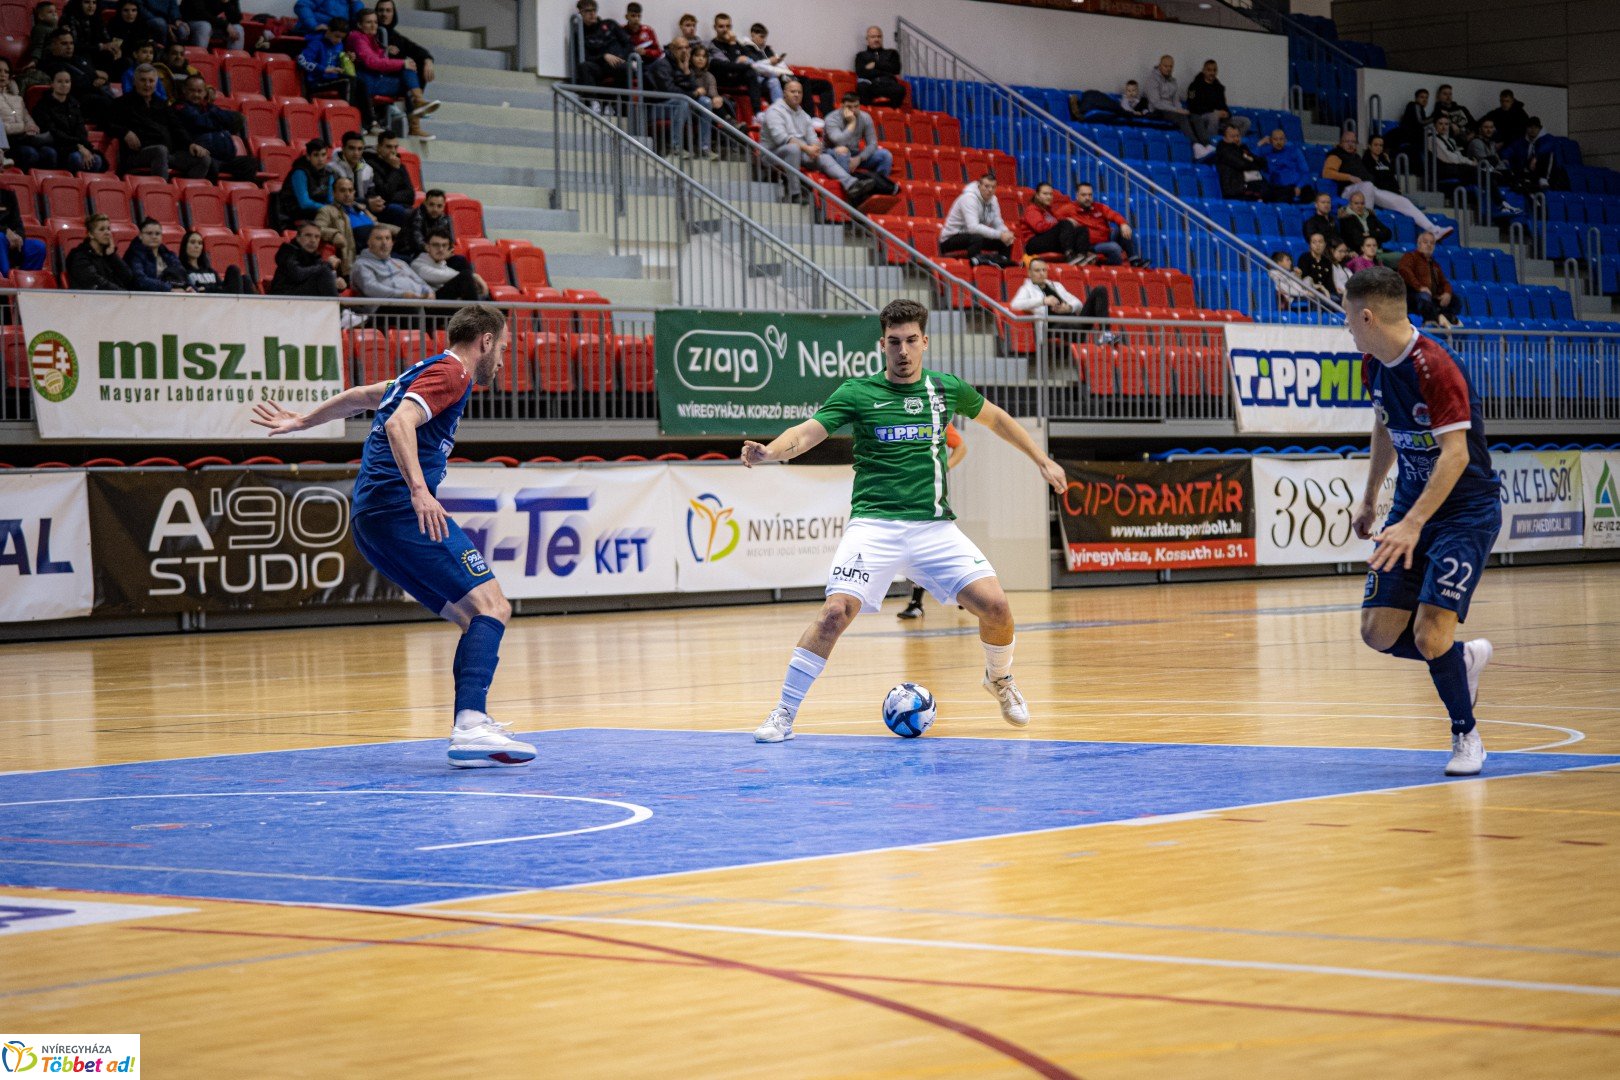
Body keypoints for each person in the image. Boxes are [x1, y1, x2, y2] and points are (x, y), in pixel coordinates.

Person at [743, 298, 1068, 742]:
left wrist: (1041, 459)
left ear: (924, 342)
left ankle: (999, 678)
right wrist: (770, 452)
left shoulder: (944, 389)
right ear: (882, 345)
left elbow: (996, 420)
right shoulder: (857, 393)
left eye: (911, 340)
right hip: (874, 526)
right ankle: (782, 714)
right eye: (894, 342)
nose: (903, 350)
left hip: (934, 527)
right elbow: (806, 433)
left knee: (996, 607)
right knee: (834, 613)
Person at [250, 304, 534, 769]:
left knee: (474, 617)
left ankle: (472, 724)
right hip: (399, 509)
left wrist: (303, 422)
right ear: (484, 341)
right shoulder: (452, 373)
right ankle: (469, 725)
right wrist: (420, 491)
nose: (503, 360)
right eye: (502, 348)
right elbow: (399, 421)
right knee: (493, 606)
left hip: (371, 520)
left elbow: (361, 397)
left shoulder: (420, 371)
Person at [1346, 265, 1498, 776]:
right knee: (1377, 632)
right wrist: (1371, 497)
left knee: (1431, 634)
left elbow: (1456, 455)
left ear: (1367, 316)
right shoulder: (1374, 366)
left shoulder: (1435, 366)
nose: (1346, 327)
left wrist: (1412, 524)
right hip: (1411, 510)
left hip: (1464, 514)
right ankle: (1462, 660)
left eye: (1348, 317)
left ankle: (1467, 737)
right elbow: (1385, 426)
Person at [1323, 130, 1453, 242]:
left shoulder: (1356, 156)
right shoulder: (1336, 154)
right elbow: (1327, 173)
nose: (1351, 144)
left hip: (1367, 188)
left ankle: (1433, 229)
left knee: (1402, 201)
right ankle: (1367, 228)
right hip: (1349, 191)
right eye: (1347, 141)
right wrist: (1349, 177)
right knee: (1368, 185)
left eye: (1353, 141)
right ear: (1341, 142)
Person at [897, 421, 965, 620]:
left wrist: (944, 467)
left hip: (929, 498)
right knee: (917, 549)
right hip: (903, 493)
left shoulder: (935, 417)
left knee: (932, 547)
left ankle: (962, 588)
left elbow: (961, 447)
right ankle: (959, 590)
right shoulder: (893, 418)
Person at [759, 79, 860, 203]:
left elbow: (813, 138)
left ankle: (851, 184)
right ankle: (795, 194)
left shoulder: (804, 115)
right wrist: (807, 148)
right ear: (784, 93)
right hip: (771, 154)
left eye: (799, 92)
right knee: (793, 149)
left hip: (799, 153)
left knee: (824, 157)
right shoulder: (774, 111)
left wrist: (815, 147)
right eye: (793, 91)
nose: (796, 95)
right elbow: (782, 138)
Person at [107, 64, 214, 178]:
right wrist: (125, 132)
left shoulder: (162, 104)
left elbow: (177, 128)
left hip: (167, 154)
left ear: (156, 83)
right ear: (134, 82)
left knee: (203, 159)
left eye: (151, 81)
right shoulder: (121, 103)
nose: (147, 84)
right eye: (143, 80)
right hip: (136, 155)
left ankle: (180, 188)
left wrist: (190, 144)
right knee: (160, 151)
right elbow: (106, 123)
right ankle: (161, 188)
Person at [349, 7, 439, 139]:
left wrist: (386, 52)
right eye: (369, 22)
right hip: (367, 84)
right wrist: (402, 63)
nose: (374, 25)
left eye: (375, 22)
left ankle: (418, 106)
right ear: (359, 25)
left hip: (376, 80)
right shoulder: (357, 38)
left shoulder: (372, 39)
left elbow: (380, 62)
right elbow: (372, 62)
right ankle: (416, 114)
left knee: (408, 77)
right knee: (406, 69)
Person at [1007, 256, 1117, 343]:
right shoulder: (1026, 288)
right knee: (1066, 324)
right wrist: (1043, 301)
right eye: (1037, 270)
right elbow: (1015, 304)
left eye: (1044, 270)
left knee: (1100, 290)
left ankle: (1106, 333)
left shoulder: (1056, 285)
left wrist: (1068, 308)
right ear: (1029, 273)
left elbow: (1078, 303)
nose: (1041, 273)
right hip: (1054, 327)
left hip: (1073, 322)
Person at [298, 18, 377, 133]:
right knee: (347, 82)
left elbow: (336, 61)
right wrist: (323, 69)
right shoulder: (316, 43)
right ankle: (349, 119)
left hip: (332, 79)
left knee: (360, 82)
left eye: (341, 38)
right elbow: (302, 59)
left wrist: (347, 58)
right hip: (317, 81)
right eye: (336, 36)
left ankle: (370, 122)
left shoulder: (339, 44)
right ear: (328, 30)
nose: (338, 40)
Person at [173, 74, 256, 181]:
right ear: (184, 90)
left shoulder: (209, 107)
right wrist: (218, 121)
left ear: (205, 93)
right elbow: (197, 121)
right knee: (209, 164)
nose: (196, 95)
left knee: (250, 163)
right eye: (192, 91)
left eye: (199, 91)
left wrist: (211, 111)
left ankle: (238, 191)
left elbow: (230, 118)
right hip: (203, 157)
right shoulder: (180, 107)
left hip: (224, 159)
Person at [32, 69, 104, 173]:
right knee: (76, 158)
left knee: (97, 160)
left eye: (67, 81)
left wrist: (83, 146)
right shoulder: (43, 105)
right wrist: (78, 146)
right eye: (59, 81)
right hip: (55, 145)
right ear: (52, 84)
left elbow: (81, 129)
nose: (64, 85)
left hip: (75, 146)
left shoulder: (74, 104)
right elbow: (53, 132)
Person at [940, 173, 1014, 265]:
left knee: (1006, 241)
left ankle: (1003, 265)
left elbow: (998, 222)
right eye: (986, 186)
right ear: (979, 186)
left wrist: (1006, 233)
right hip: (950, 238)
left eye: (993, 187)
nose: (990, 190)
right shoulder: (968, 198)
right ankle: (974, 266)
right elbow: (973, 228)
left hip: (973, 237)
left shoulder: (993, 200)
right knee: (977, 237)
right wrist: (999, 234)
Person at [1059, 182, 1140, 266]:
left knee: (1125, 229)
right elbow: (1056, 221)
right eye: (1084, 195)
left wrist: (1123, 224)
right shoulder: (1068, 209)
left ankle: (1134, 260)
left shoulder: (1099, 207)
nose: (1087, 198)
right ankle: (1110, 268)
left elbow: (1114, 215)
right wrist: (1067, 221)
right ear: (1077, 196)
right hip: (1090, 245)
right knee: (1114, 247)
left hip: (1106, 238)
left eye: (1090, 195)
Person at [824, 92, 892, 190]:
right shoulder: (831, 118)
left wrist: (859, 158)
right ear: (842, 106)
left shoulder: (865, 117)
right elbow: (839, 142)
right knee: (843, 151)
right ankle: (852, 189)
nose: (853, 110)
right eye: (849, 107)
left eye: (856, 106)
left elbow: (873, 143)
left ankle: (879, 186)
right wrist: (852, 123)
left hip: (854, 154)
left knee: (885, 155)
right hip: (832, 153)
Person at [665, 37, 720, 159]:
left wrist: (715, 97)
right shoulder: (669, 64)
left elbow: (697, 88)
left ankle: (705, 147)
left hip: (691, 103)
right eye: (680, 48)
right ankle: (675, 146)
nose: (684, 51)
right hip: (671, 102)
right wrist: (694, 93)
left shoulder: (706, 74)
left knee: (706, 101)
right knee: (683, 102)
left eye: (686, 48)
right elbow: (674, 89)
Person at [350, 223, 434, 301]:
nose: (384, 243)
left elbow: (421, 282)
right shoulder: (361, 264)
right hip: (386, 306)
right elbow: (370, 288)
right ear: (369, 242)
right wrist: (402, 295)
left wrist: (429, 292)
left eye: (387, 238)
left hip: (416, 301)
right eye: (379, 238)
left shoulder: (400, 263)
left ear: (392, 243)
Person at [1398, 229, 1462, 327]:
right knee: (1424, 297)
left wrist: (1447, 293)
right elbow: (1404, 271)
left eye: (1432, 243)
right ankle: (1436, 318)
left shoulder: (1435, 265)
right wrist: (1419, 287)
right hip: (1413, 295)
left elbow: (1444, 282)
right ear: (1419, 244)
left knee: (1455, 300)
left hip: (1432, 297)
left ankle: (1442, 316)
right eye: (1425, 242)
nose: (1429, 245)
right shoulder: (1410, 257)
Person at [0, 58, 55, 171]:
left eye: (6, 72)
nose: (3, 74)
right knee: (30, 154)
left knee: (49, 153)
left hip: (23, 139)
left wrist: (33, 128)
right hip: (7, 143)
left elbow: (27, 118)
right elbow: (2, 127)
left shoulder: (18, 99)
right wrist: (23, 128)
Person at [1017, 182, 1090, 264]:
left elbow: (1058, 222)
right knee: (1065, 223)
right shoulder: (1032, 209)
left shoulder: (1048, 211)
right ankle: (1069, 255)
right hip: (1034, 244)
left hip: (1048, 242)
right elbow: (1039, 227)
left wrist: (1068, 222)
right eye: (1045, 194)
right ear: (1037, 195)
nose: (1049, 197)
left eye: (1050, 194)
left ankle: (1082, 256)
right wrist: (1063, 222)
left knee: (1082, 229)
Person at [270, 220, 346, 296]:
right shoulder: (287, 251)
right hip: (281, 297)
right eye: (308, 235)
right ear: (298, 237)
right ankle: (338, 303)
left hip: (301, 296)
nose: (313, 240)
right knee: (324, 271)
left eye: (317, 237)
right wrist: (328, 265)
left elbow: (319, 277)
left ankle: (338, 303)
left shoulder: (314, 256)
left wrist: (336, 285)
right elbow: (297, 275)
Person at [315, 175, 373, 273]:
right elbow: (317, 228)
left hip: (374, 252)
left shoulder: (359, 208)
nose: (347, 194)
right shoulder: (327, 210)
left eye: (350, 190)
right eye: (342, 190)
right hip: (356, 258)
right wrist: (334, 234)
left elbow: (377, 226)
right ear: (334, 193)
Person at [66, 213, 139, 290]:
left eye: (108, 229)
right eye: (102, 229)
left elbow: (128, 277)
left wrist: (112, 255)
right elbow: (97, 283)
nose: (107, 232)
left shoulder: (108, 255)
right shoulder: (80, 257)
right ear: (90, 234)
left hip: (113, 296)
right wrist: (122, 293)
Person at [413, 229, 488, 301]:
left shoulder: (443, 266)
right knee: (465, 276)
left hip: (443, 302)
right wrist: (473, 276)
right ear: (427, 247)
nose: (440, 249)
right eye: (436, 245)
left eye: (444, 245)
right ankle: (476, 309)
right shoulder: (418, 264)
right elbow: (435, 275)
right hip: (428, 303)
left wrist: (472, 279)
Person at [1186, 59, 1249, 145]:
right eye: (1209, 70)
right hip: (1202, 117)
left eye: (1214, 70)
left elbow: (1223, 105)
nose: (1212, 73)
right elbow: (1192, 106)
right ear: (1203, 71)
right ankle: (1212, 144)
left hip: (1220, 119)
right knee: (1214, 116)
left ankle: (1233, 144)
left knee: (1245, 121)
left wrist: (1227, 113)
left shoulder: (1219, 87)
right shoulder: (1194, 86)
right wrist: (1214, 111)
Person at [574, 0, 632, 94]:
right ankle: (592, 102)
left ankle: (620, 103)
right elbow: (585, 57)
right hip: (600, 65)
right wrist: (603, 57)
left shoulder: (610, 24)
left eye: (594, 10)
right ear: (580, 13)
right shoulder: (580, 34)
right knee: (584, 67)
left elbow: (629, 43)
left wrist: (622, 57)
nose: (592, 13)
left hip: (619, 61)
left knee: (623, 68)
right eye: (588, 11)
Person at [277, 138, 335, 228]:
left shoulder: (329, 173)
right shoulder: (300, 172)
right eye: (316, 155)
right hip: (295, 212)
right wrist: (326, 208)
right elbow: (304, 203)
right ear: (308, 156)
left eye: (323, 155)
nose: (320, 159)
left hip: (318, 210)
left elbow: (330, 199)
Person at [375, 0, 432, 89]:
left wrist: (428, 60)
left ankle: (416, 96)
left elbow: (416, 50)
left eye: (388, 10)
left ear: (394, 14)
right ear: (375, 13)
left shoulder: (397, 38)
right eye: (381, 10)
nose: (384, 14)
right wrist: (384, 50)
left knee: (420, 64)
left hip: (396, 78)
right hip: (375, 77)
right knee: (407, 70)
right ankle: (416, 96)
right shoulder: (368, 33)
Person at [124, 215, 189, 291]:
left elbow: (183, 276)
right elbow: (139, 280)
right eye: (149, 233)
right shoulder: (134, 255)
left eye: (157, 234)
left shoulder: (169, 255)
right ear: (140, 235)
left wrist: (190, 288)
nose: (154, 237)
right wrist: (169, 289)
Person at [365, 131, 416, 227]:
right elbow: (384, 193)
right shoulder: (370, 165)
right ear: (379, 147)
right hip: (381, 210)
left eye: (395, 147)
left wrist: (391, 198)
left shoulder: (399, 165)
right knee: (403, 213)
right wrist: (395, 170)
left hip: (399, 205)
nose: (393, 151)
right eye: (388, 147)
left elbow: (410, 195)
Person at [1144, 54, 1196, 146]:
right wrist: (1176, 110)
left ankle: (1205, 144)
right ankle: (1195, 145)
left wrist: (1180, 109)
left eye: (1171, 66)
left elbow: (1176, 101)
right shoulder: (1152, 80)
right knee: (1182, 117)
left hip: (1171, 111)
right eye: (1166, 66)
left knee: (1196, 116)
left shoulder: (1173, 81)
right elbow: (1156, 103)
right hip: (1158, 111)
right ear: (1160, 66)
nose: (1168, 69)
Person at [178, 228, 251, 292]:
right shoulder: (181, 270)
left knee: (244, 278)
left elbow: (220, 288)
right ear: (185, 246)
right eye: (192, 242)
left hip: (219, 298)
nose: (197, 246)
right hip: (202, 301)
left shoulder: (210, 270)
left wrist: (207, 289)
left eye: (200, 243)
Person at [1254, 127, 1314, 203]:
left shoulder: (1294, 151)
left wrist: (1299, 186)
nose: (1278, 142)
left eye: (1281, 139)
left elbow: (1305, 172)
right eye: (1275, 139)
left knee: (1309, 193)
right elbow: (1251, 158)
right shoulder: (1266, 153)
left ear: (1285, 140)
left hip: (1296, 186)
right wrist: (1260, 144)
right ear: (1271, 141)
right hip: (1279, 188)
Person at [1500, 116, 1557, 194]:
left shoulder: (1547, 138)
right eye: (1530, 127)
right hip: (1525, 170)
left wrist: (1536, 157)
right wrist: (1505, 158)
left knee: (1548, 154)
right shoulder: (1521, 141)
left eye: (1535, 128)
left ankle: (1543, 179)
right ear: (1526, 128)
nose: (1533, 130)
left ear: (1539, 129)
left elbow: (1548, 147)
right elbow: (1509, 150)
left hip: (1539, 168)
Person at [854, 25, 904, 108]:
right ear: (867, 39)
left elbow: (896, 69)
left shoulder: (892, 53)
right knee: (861, 87)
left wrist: (875, 64)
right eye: (873, 37)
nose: (876, 39)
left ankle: (890, 111)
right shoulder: (861, 56)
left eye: (879, 36)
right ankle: (868, 112)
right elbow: (861, 73)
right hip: (871, 85)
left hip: (888, 85)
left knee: (900, 89)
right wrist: (885, 70)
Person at [0, 185, 46, 275]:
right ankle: (6, 280)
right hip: (2, 237)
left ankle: (25, 280)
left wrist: (19, 237)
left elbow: (17, 222)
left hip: (7, 240)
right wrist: (6, 231)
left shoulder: (7, 191)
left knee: (38, 247)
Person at [399, 187, 452, 261]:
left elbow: (450, 244)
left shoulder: (445, 220)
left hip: (433, 253)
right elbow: (417, 242)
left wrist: (444, 252)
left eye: (439, 206)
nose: (435, 209)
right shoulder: (415, 216)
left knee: (459, 260)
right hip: (410, 253)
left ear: (444, 206)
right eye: (431, 205)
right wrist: (436, 252)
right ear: (425, 203)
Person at [1214, 123, 1265, 200]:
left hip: (1250, 184)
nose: (1236, 139)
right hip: (1235, 189)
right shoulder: (1223, 149)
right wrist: (1252, 163)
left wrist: (1252, 162)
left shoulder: (1242, 147)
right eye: (1232, 136)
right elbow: (1241, 164)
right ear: (1224, 138)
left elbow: (1261, 162)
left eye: (1238, 136)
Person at [1336, 189, 1391, 255]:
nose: (1360, 206)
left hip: (1378, 251)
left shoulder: (1370, 216)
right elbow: (1357, 241)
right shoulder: (1346, 219)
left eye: (1362, 203)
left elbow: (1388, 233)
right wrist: (1377, 233)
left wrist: (1369, 233)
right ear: (1350, 204)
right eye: (1356, 203)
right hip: (1358, 254)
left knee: (1398, 255)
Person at [1427, 114, 1474, 187]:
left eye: (1446, 124)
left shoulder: (1447, 139)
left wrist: (1470, 161)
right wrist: (1470, 163)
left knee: (1480, 168)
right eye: (1440, 124)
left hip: (1452, 168)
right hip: (1443, 171)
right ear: (1435, 125)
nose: (1444, 127)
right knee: (1475, 171)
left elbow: (1457, 155)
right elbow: (1449, 158)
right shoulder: (1432, 139)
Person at [329, 129, 375, 198]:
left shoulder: (368, 169)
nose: (356, 153)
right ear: (343, 148)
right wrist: (367, 202)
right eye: (351, 148)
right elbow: (335, 198)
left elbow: (371, 194)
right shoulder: (331, 168)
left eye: (360, 149)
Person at [1296, 231, 1337, 300]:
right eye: (1314, 242)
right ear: (1310, 244)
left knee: (1339, 298)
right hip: (1311, 292)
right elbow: (1305, 279)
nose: (1317, 245)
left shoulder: (1327, 261)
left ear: (1325, 244)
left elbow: (1330, 282)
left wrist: (1333, 292)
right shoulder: (1304, 258)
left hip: (1326, 293)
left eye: (1320, 242)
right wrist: (1321, 288)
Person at [293, 0, 362, 37]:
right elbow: (302, 5)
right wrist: (314, 26)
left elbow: (360, 23)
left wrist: (356, 2)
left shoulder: (353, 3)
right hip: (312, 32)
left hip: (337, 36)